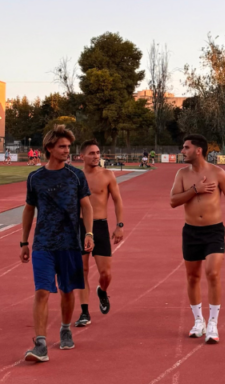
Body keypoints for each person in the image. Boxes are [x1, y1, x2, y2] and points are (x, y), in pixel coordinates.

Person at [20, 126, 94, 363]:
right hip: (42, 244)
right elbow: (29, 209)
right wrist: (24, 241)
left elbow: (87, 206)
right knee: (41, 291)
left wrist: (89, 233)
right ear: (49, 148)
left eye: (68, 147)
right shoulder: (35, 178)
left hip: (69, 243)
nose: (67, 151)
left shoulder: (76, 176)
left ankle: (65, 327)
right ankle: (40, 343)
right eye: (62, 146)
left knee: (67, 290)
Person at [170, 134, 225, 344]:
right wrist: (194, 190)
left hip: (214, 231)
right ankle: (199, 320)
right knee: (192, 277)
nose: (182, 151)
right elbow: (173, 201)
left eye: (186, 147)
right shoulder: (182, 174)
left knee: (212, 273)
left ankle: (213, 323)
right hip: (191, 232)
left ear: (198, 150)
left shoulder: (218, 173)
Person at [74, 139, 124, 327]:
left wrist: (119, 225)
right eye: (92, 153)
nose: (96, 156)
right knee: (82, 270)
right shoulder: (75, 177)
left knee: (106, 273)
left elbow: (118, 201)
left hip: (100, 226)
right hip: (79, 226)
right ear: (82, 156)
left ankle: (102, 291)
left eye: (98, 152)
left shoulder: (107, 175)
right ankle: (85, 312)